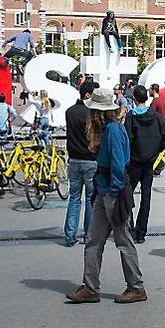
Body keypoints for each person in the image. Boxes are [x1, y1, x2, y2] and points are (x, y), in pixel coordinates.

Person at [65, 87, 146, 304]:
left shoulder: (112, 130)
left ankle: (136, 287)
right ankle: (90, 287)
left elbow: (119, 166)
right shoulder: (110, 129)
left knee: (123, 240)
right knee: (94, 240)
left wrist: (112, 191)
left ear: (98, 112)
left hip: (112, 190)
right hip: (105, 189)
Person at [125, 85, 165, 244]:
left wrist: (131, 155)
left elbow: (127, 140)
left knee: (127, 194)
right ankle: (141, 233)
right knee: (146, 197)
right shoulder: (156, 116)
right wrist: (154, 152)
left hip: (134, 163)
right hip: (149, 163)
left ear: (134, 99)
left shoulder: (131, 117)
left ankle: (129, 228)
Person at [64, 82, 97, 247]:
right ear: (87, 95)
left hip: (74, 160)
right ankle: (88, 235)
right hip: (91, 160)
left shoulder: (69, 112)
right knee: (91, 199)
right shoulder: (92, 113)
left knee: (74, 198)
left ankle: (70, 235)